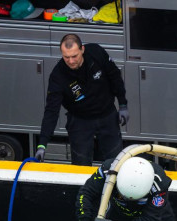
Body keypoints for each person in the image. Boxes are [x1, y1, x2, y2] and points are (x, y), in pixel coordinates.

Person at [33, 33, 129, 166]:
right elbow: (51, 111)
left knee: (116, 161)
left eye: (74, 56)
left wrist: (123, 104)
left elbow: (115, 76)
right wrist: (42, 144)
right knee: (81, 163)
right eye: (66, 57)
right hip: (80, 121)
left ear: (82, 49)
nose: (71, 61)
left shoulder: (96, 53)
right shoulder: (58, 76)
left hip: (106, 115)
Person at [76, 156, 175, 221]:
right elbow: (86, 194)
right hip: (116, 213)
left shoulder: (159, 184)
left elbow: (151, 218)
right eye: (122, 196)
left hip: (154, 216)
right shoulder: (109, 170)